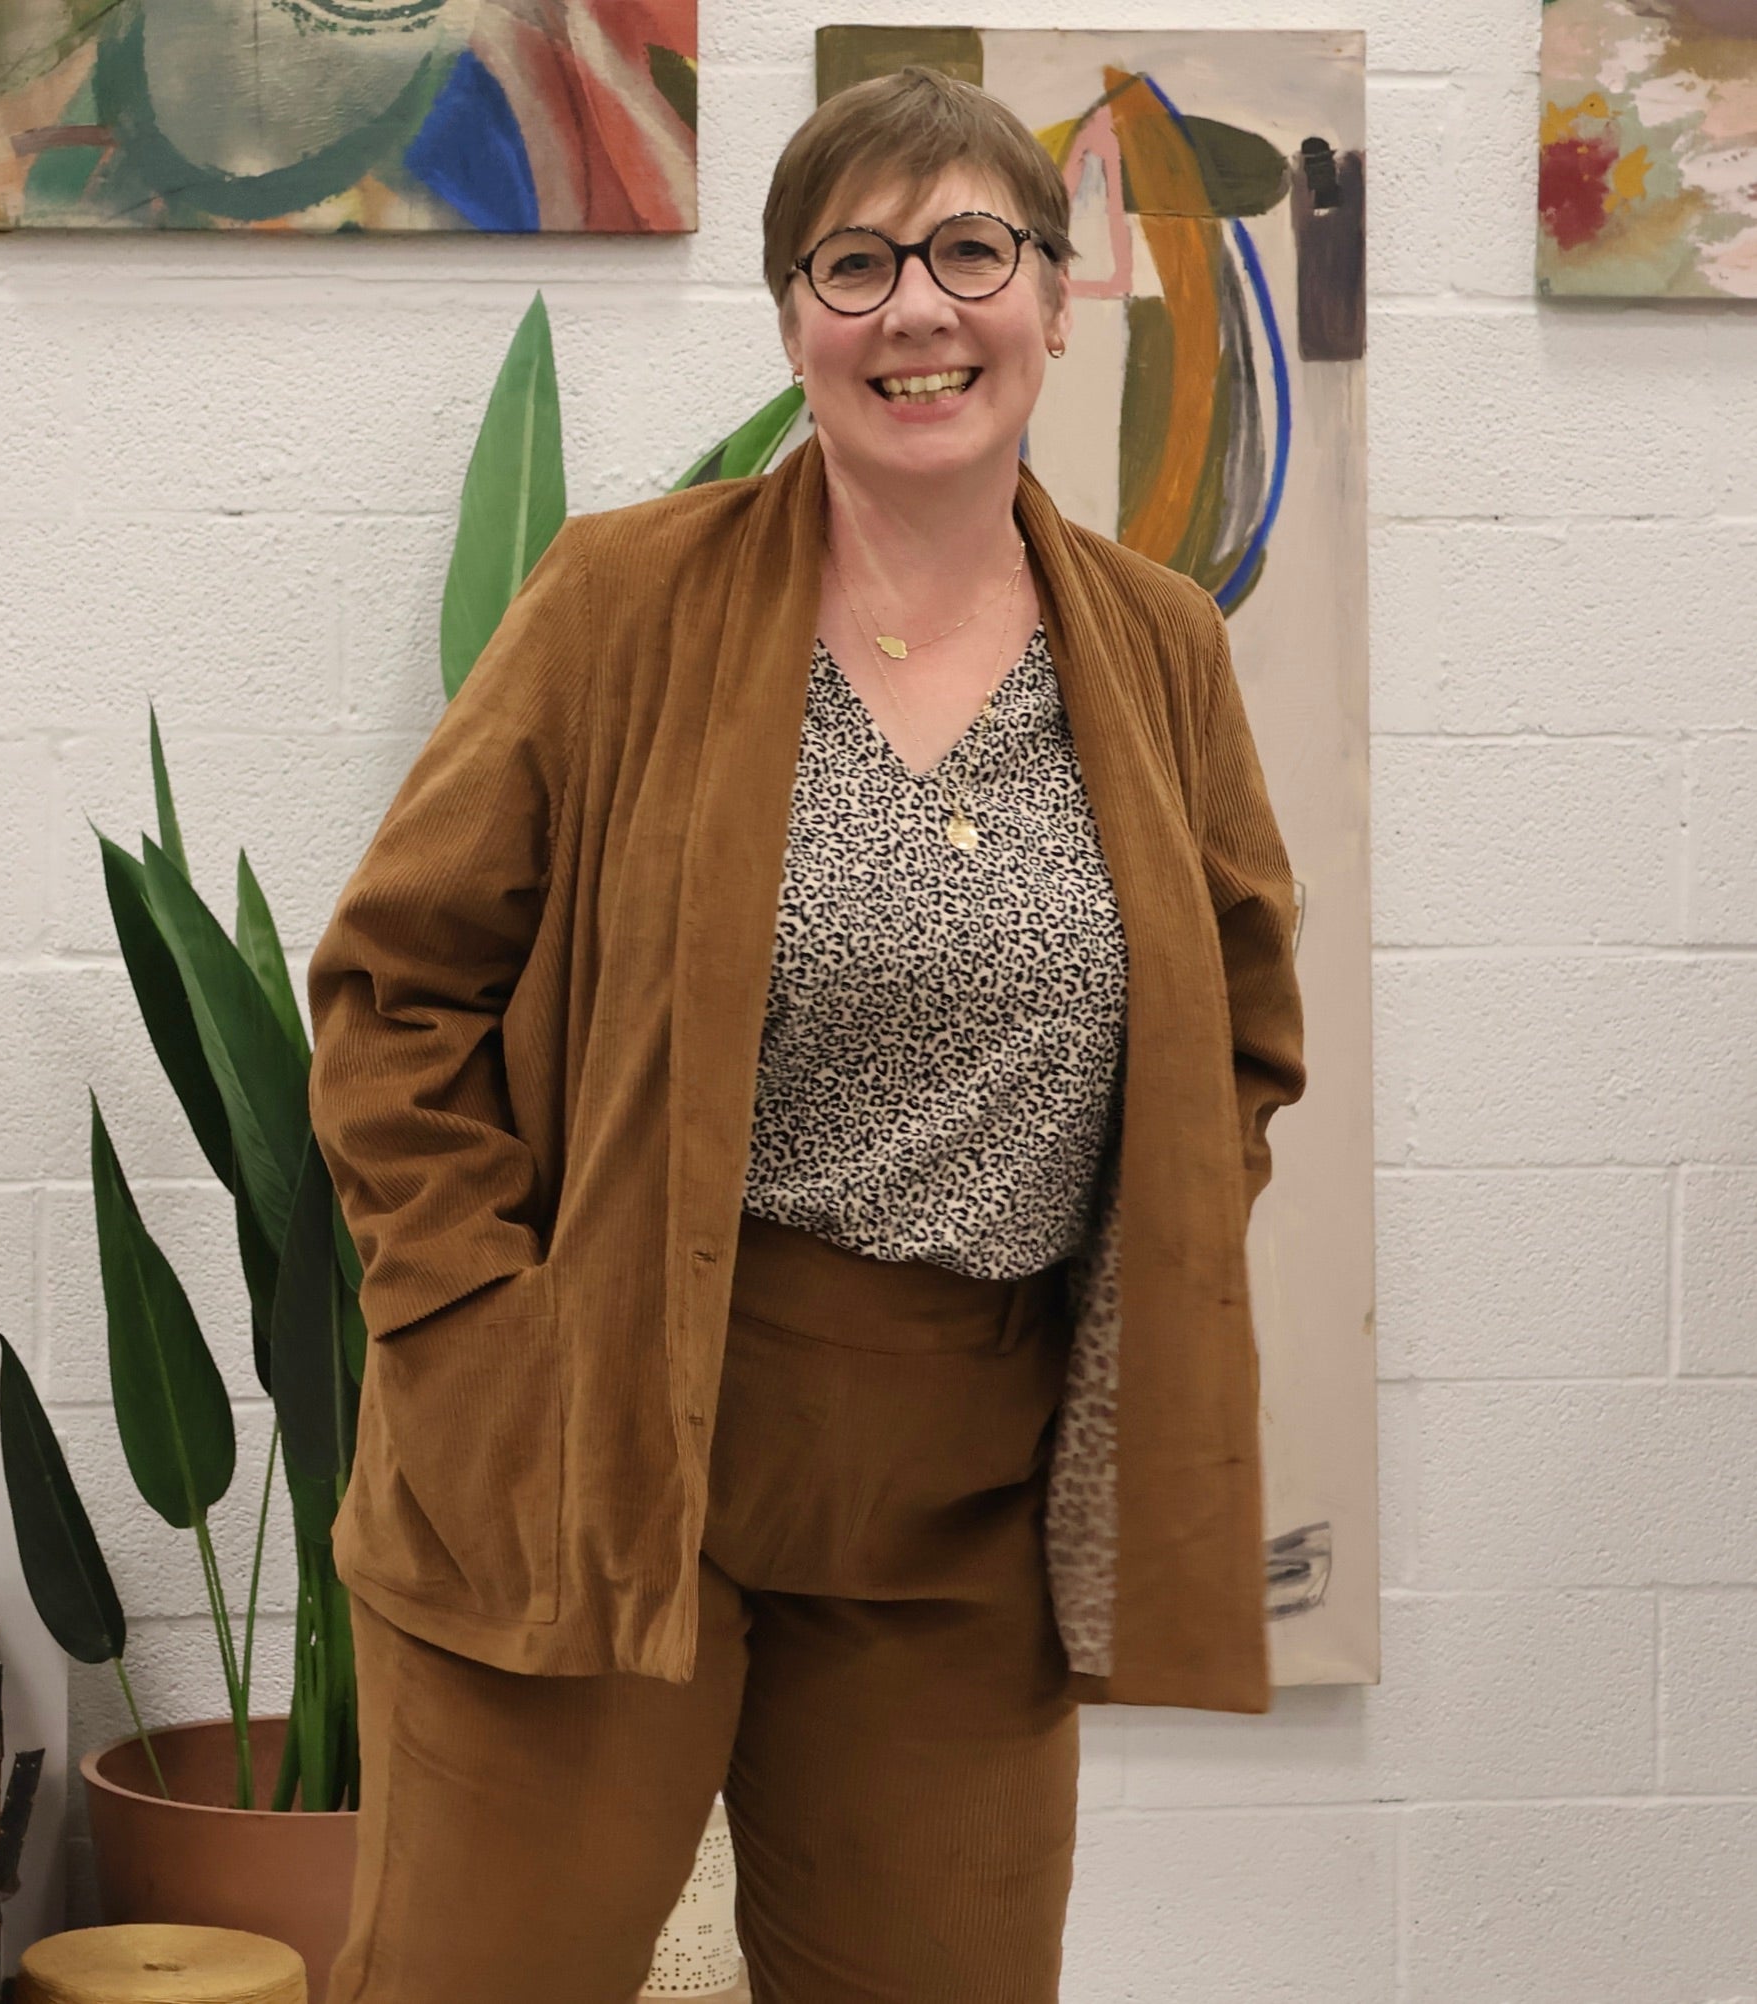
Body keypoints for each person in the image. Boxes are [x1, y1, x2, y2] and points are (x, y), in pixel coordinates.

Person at [308, 63, 1306, 2004]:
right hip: (597, 1439)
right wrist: (475, 1314)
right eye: (855, 265)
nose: (917, 309)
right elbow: (394, 984)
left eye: (971, 252)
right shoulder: (620, 603)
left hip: (963, 1502)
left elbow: (1242, 1033)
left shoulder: (1159, 647)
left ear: (1055, 296)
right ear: (792, 323)